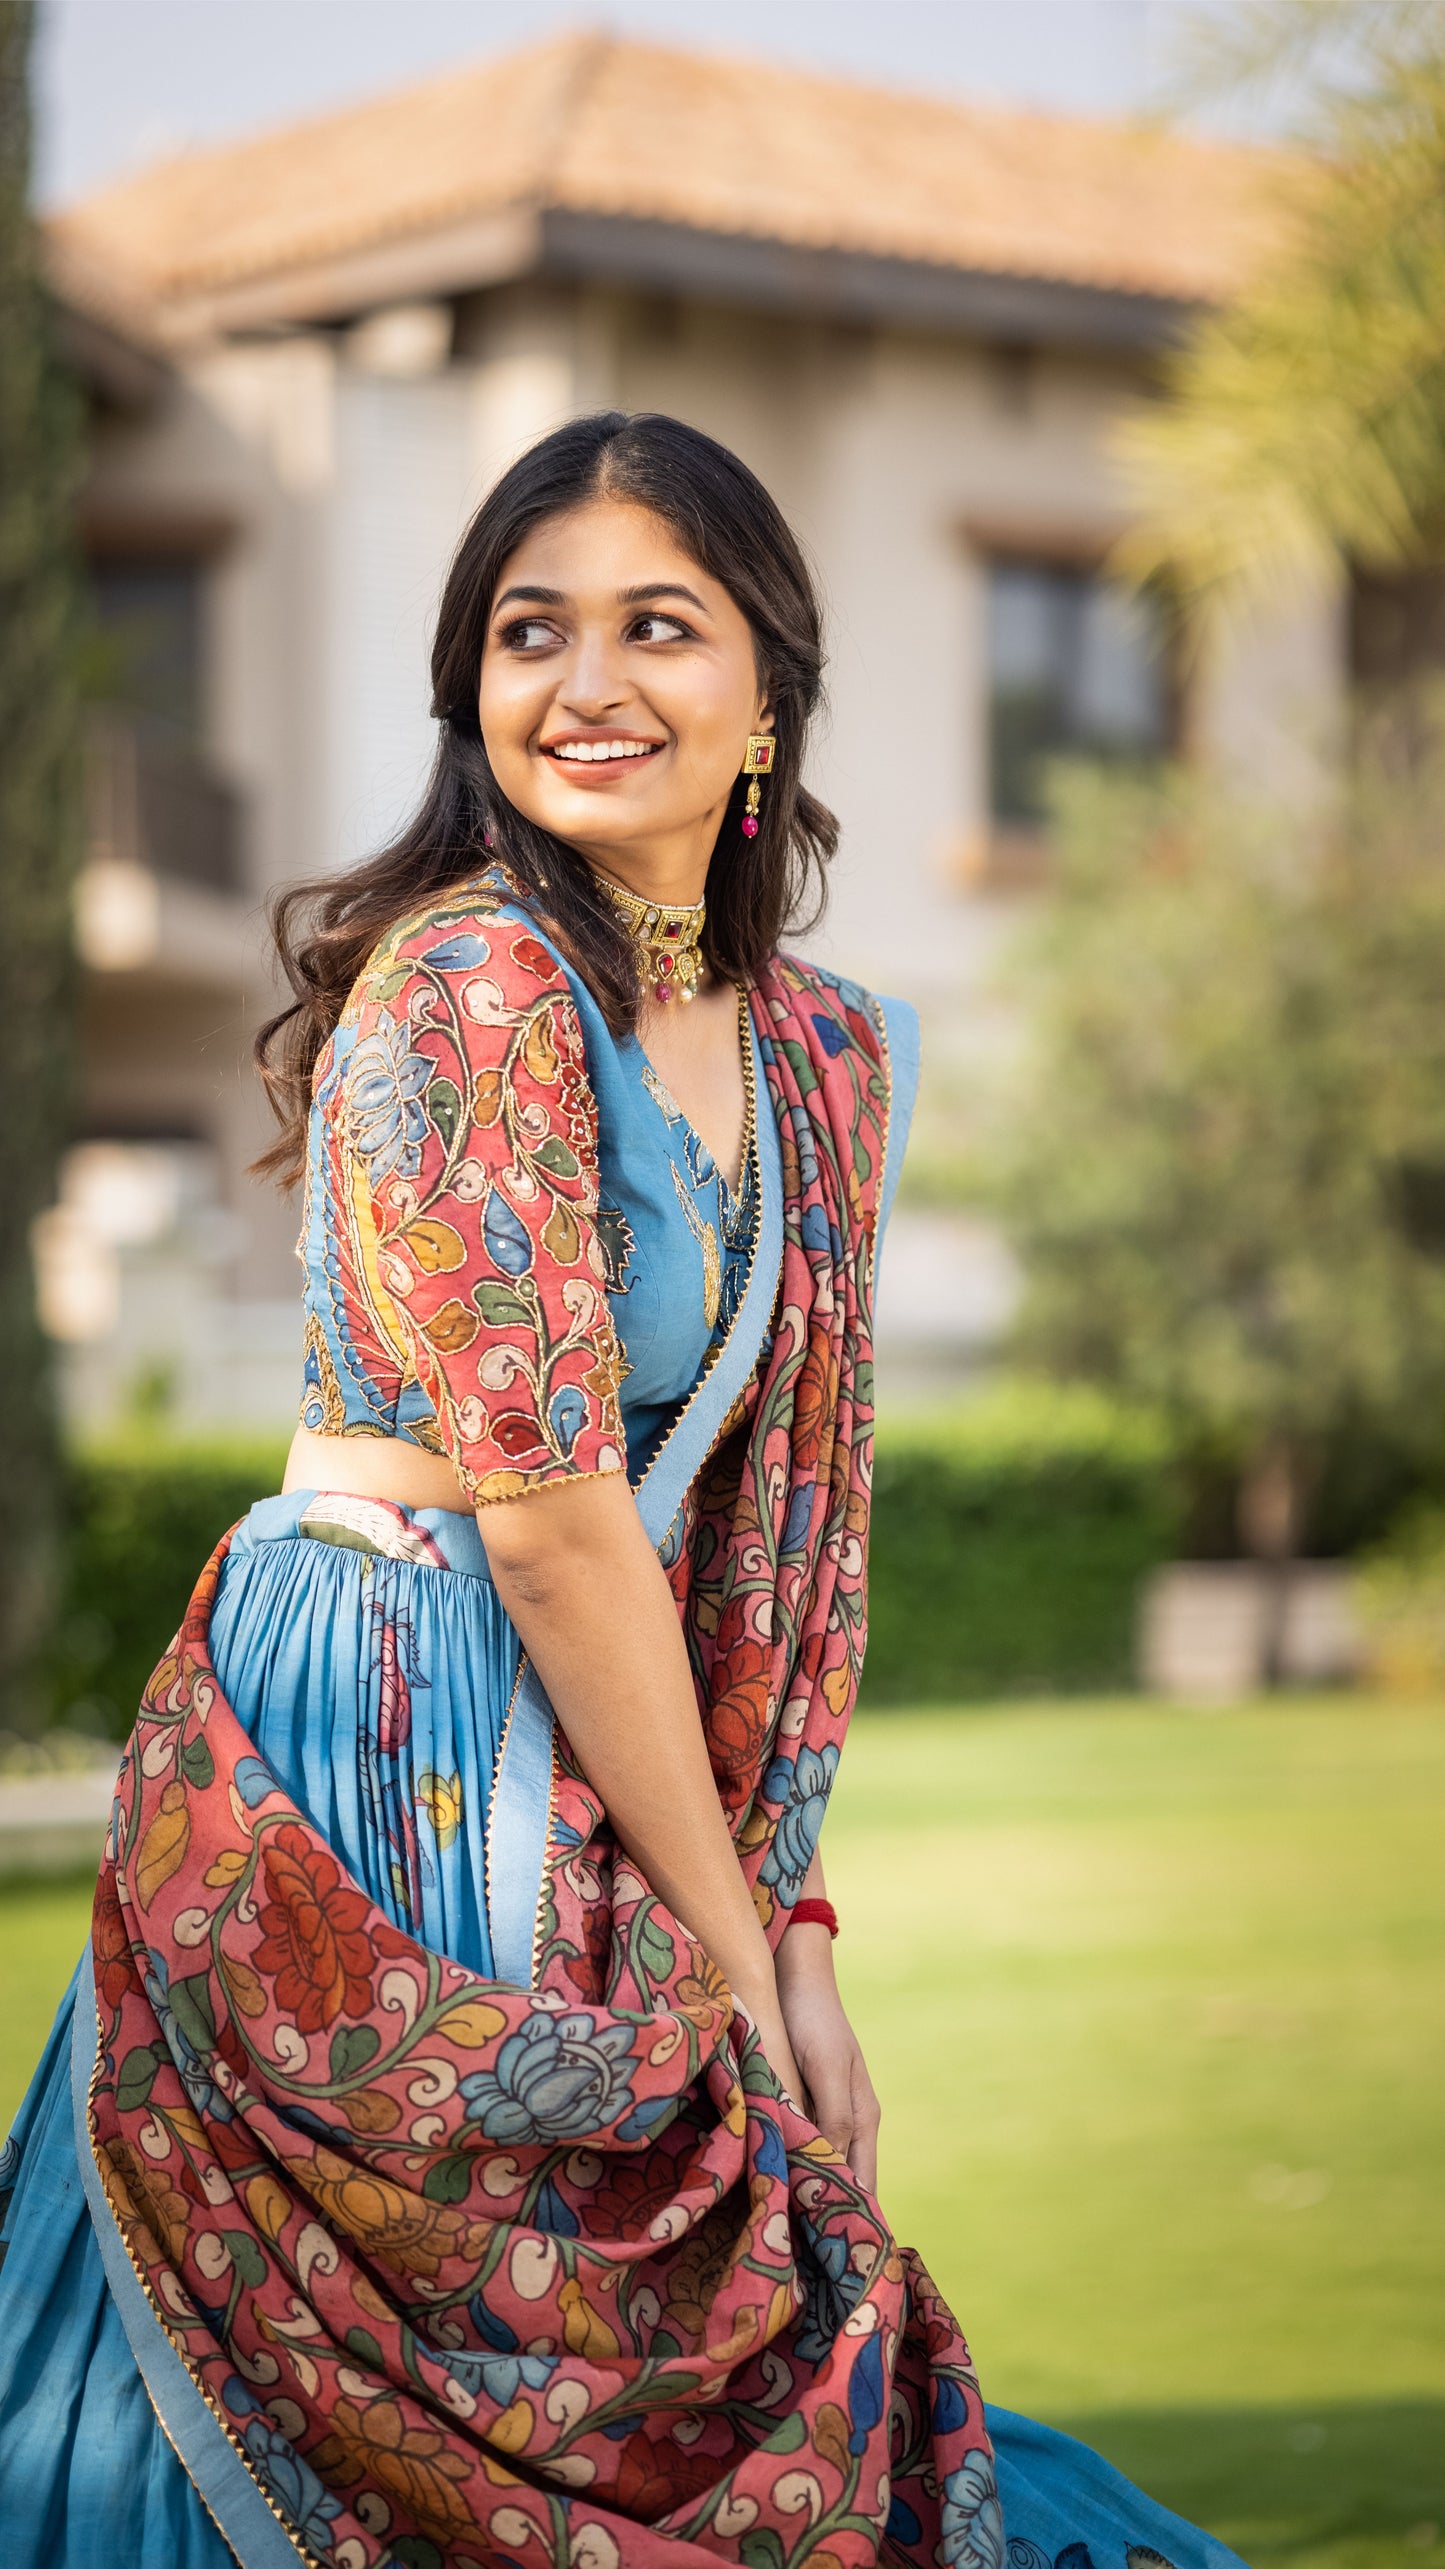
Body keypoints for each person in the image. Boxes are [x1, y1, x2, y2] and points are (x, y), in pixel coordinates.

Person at [0, 412, 1244, 2569]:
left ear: (769, 684)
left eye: (657, 625)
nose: (587, 682)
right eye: (526, 630)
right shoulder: (478, 987)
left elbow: (791, 1532)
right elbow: (558, 1520)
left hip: (611, 1727)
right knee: (459, 2401)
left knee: (728, 2376)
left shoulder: (827, 1049)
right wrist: (735, 1970)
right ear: (468, 696)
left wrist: (804, 1922)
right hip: (379, 1737)